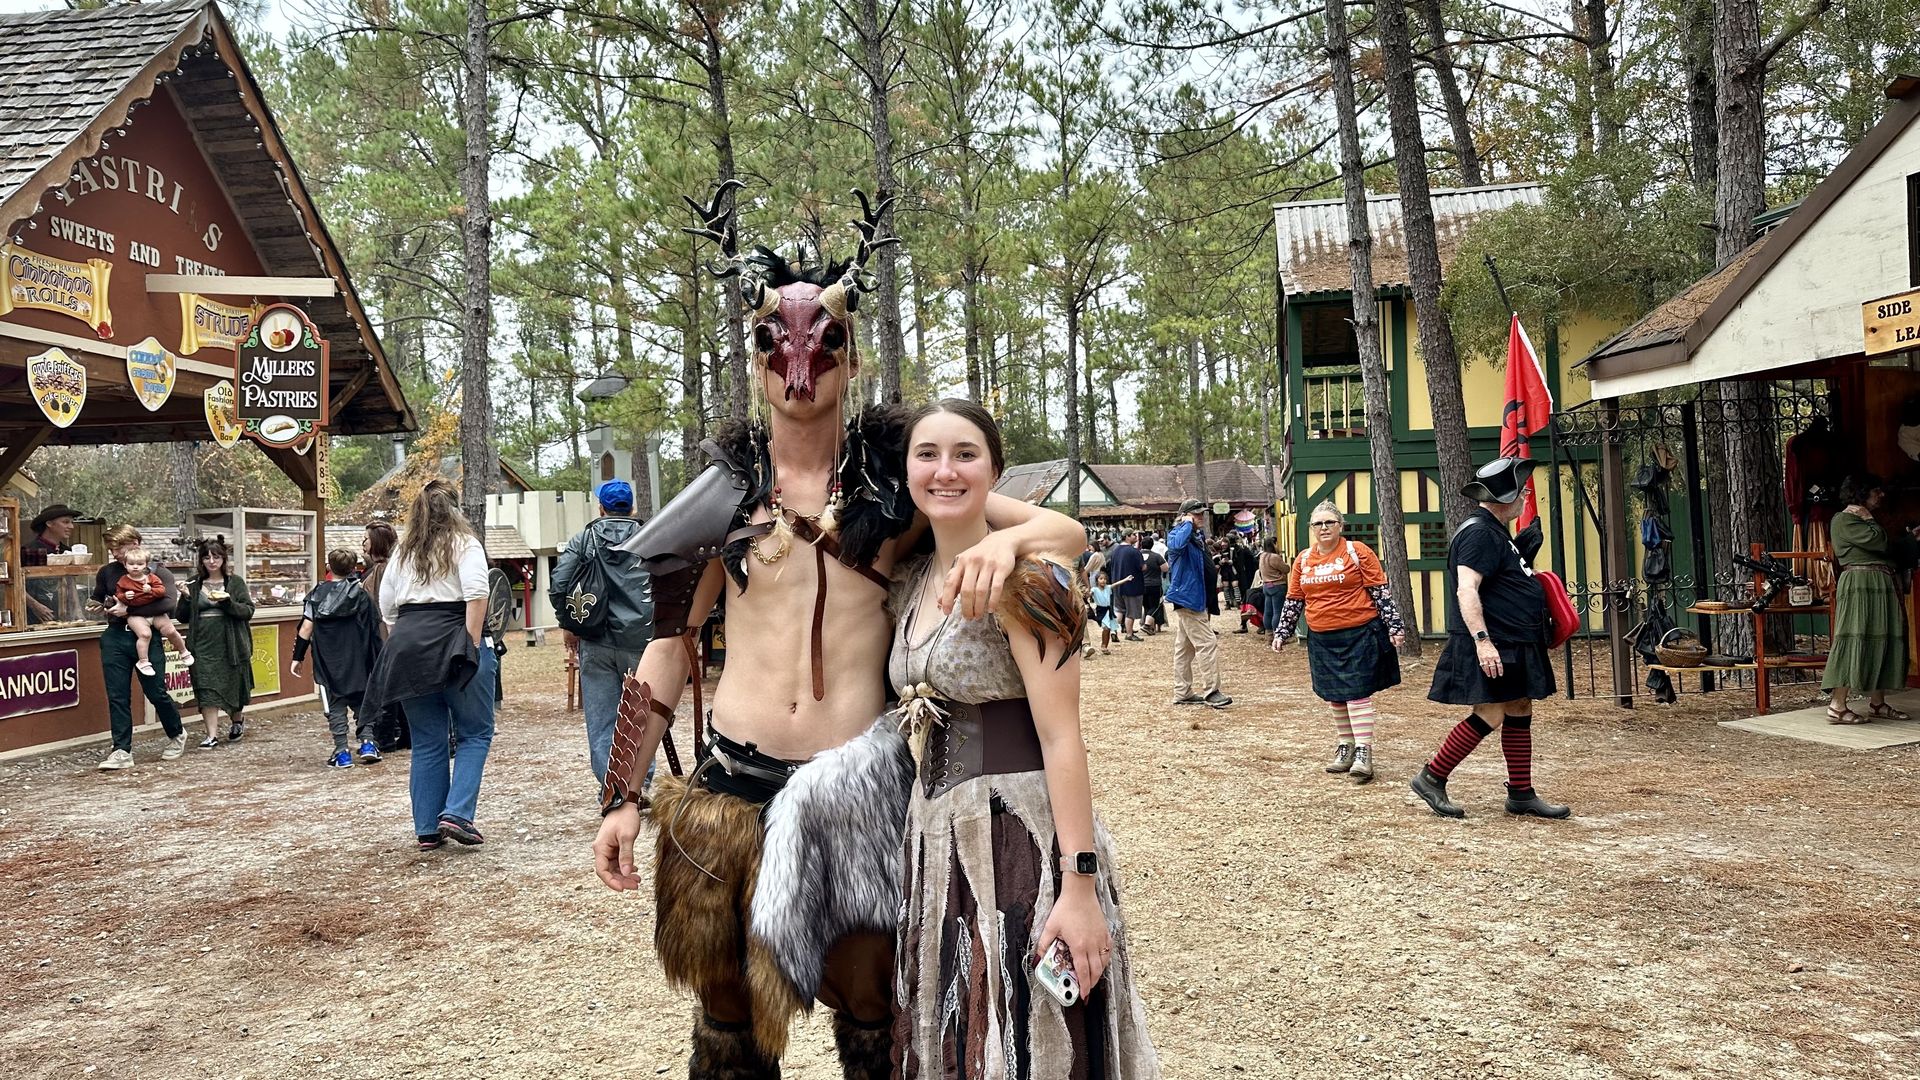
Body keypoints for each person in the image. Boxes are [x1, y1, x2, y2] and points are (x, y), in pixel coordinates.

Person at [589, 236, 1084, 1079]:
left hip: (858, 796)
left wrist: (1005, 550)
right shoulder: (722, 497)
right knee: (729, 1031)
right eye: (776, 346)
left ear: (849, 361)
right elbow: (667, 647)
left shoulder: (902, 488)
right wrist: (620, 797)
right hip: (728, 798)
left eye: (823, 346)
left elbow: (1064, 531)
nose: (799, 368)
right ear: (755, 360)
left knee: (875, 1023)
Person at [889, 398, 1159, 1077]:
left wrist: (1079, 887)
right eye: (927, 454)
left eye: (965, 454)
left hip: (1020, 841)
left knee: (1034, 1031)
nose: (945, 471)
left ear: (996, 472)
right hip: (935, 842)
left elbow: (1063, 739)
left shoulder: (1032, 582)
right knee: (966, 1032)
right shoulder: (912, 579)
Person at [1411, 457, 1570, 820]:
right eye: (1523, 491)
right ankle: (1432, 776)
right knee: (1491, 711)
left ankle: (1521, 794)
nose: (1526, 496)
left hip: (1514, 639)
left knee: (1518, 707)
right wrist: (1483, 641)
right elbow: (1467, 589)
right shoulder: (1479, 532)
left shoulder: (1496, 530)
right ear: (1507, 495)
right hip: (1493, 641)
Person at [361, 478, 498, 850]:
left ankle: (426, 826)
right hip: (455, 639)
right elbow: (476, 594)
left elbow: (387, 608)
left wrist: (402, 650)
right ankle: (456, 813)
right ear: (455, 509)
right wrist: (469, 647)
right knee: (475, 733)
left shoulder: (402, 553)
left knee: (426, 740)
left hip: (408, 645)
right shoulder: (464, 544)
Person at [1271, 502, 1406, 784]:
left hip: (1359, 633)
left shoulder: (1357, 553)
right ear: (1311, 529)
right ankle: (1345, 746)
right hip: (1321, 637)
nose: (1323, 528)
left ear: (1340, 526)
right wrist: (1282, 631)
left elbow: (1380, 592)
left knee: (1357, 694)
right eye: (1318, 524)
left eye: (1329, 522)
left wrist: (1395, 626)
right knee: (1334, 695)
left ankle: (1363, 752)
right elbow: (1295, 599)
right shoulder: (1303, 560)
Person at [550, 478, 653, 784]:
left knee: (602, 721)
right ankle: (640, 783)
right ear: (632, 506)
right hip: (642, 640)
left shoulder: (583, 539)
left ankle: (612, 788)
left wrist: (568, 624)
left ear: (601, 507)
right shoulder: (652, 536)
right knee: (641, 715)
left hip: (595, 639)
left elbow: (559, 586)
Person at [91, 525, 189, 771]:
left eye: (118, 548)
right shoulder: (107, 572)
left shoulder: (158, 571)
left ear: (135, 543)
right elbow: (100, 596)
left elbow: (169, 604)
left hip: (146, 637)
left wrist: (130, 610)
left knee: (155, 691)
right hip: (115, 636)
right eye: (111, 549)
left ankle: (176, 732)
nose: (114, 554)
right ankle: (121, 749)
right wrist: (100, 604)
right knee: (117, 694)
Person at [1822, 473, 1919, 723]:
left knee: (1883, 639)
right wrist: (1869, 519)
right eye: (1876, 491)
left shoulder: (1864, 520)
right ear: (1861, 493)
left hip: (1880, 583)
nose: (1881, 495)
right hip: (1860, 584)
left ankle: (1877, 703)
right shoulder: (1844, 520)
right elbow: (1877, 542)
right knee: (1855, 638)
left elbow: (1890, 550)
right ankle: (1837, 705)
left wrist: (1911, 540)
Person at [292, 548, 385, 767]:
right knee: (362, 701)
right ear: (354, 568)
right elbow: (375, 626)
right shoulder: (362, 594)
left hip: (328, 658)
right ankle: (367, 742)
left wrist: (297, 657)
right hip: (358, 656)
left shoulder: (317, 594)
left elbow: (306, 628)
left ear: (328, 567)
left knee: (335, 705)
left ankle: (342, 751)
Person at [180, 535, 254, 747]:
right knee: (205, 686)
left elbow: (248, 611)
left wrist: (227, 602)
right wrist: (185, 597)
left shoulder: (235, 582)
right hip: (202, 643)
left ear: (224, 559)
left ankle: (237, 719)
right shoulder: (194, 583)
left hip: (231, 643)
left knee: (233, 683)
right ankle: (211, 735)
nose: (212, 561)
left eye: (216, 557)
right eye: (207, 557)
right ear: (201, 560)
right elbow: (182, 616)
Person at [1166, 499, 1230, 708]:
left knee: (1184, 649)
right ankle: (1212, 691)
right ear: (1184, 515)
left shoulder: (1195, 536)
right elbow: (1175, 545)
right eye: (1196, 514)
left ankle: (1182, 691)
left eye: (1202, 513)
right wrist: (1186, 523)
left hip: (1193, 598)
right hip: (1189, 599)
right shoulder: (1178, 534)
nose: (1201, 516)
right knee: (1207, 644)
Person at [115, 548, 193, 677]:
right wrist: (125, 596)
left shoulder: (151, 578)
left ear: (146, 565)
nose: (135, 567)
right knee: (145, 635)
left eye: (139, 564)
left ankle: (183, 651)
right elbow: (118, 594)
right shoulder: (123, 580)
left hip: (155, 612)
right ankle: (143, 662)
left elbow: (162, 591)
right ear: (125, 564)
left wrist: (151, 590)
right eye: (131, 564)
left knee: (170, 630)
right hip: (136, 615)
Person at [23, 503, 80, 624]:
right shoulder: (30, 550)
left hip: (64, 616)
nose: (71, 526)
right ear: (49, 524)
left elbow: (70, 583)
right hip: (34, 618)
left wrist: (77, 610)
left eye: (71, 522)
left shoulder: (67, 551)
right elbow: (17, 585)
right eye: (65, 522)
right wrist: (35, 606)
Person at [1108, 530, 1146, 639]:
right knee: (1131, 611)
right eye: (1134, 535)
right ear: (1127, 536)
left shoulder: (1115, 551)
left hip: (1117, 584)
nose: (1136, 537)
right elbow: (1142, 567)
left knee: (1119, 610)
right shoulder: (1134, 551)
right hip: (1132, 586)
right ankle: (1129, 634)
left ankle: (1113, 631)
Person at [1258, 536, 1288, 637]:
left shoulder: (1262, 556)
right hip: (1277, 585)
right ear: (1273, 544)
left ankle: (1269, 634)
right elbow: (1286, 569)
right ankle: (1277, 634)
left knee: (1268, 611)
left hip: (1266, 586)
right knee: (1277, 611)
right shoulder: (1274, 557)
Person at [1140, 539, 1166, 634]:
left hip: (1141, 585)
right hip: (1154, 584)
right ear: (1152, 545)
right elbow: (1165, 568)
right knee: (1155, 605)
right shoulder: (1156, 556)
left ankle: (1151, 627)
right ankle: (1147, 625)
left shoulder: (1137, 555)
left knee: (1146, 606)